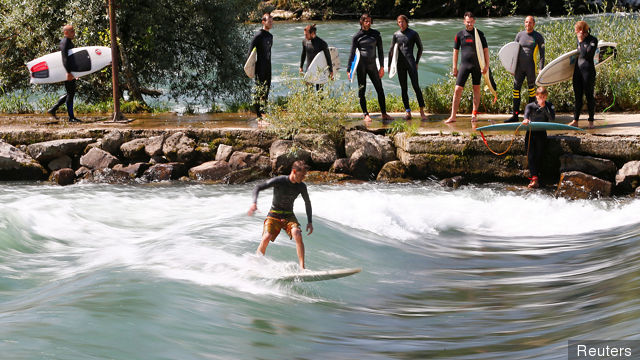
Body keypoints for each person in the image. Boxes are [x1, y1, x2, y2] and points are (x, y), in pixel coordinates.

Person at [248, 160, 313, 269]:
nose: (303, 178)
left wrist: (310, 222)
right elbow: (258, 187)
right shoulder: (280, 181)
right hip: (274, 214)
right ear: (294, 171)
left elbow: (307, 202)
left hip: (289, 215)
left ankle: (302, 268)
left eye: (304, 176)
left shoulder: (301, 186)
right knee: (266, 237)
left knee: (297, 233)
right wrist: (254, 203)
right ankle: (256, 265)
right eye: (301, 175)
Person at [444, 12, 489, 124]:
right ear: (464, 21)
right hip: (464, 65)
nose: (469, 24)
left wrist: (486, 65)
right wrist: (454, 66)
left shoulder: (480, 34)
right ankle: (453, 116)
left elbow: (485, 51)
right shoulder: (459, 35)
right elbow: (455, 51)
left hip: (477, 66)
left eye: (471, 22)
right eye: (467, 22)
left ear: (474, 21)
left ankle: (474, 115)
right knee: (457, 90)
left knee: (476, 89)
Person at [347, 13, 393, 123]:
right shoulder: (357, 36)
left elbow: (380, 51)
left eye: (369, 21)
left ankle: (384, 113)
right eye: (366, 21)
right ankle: (365, 114)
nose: (368, 23)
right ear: (361, 22)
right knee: (362, 90)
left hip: (373, 65)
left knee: (380, 89)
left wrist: (382, 67)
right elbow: (352, 53)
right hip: (361, 66)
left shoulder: (376, 34)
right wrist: (349, 69)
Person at [505, 16, 545, 123]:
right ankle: (515, 115)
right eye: (526, 22)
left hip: (531, 67)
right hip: (519, 68)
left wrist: (541, 69)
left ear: (534, 24)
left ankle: (531, 115)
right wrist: (512, 67)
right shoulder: (519, 35)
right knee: (516, 91)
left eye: (530, 22)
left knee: (531, 91)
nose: (528, 24)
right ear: (524, 23)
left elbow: (542, 55)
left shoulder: (538, 37)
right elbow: (514, 51)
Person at [388, 15, 427, 121]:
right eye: (399, 22)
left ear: (406, 22)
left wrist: (417, 62)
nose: (401, 24)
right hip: (400, 65)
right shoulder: (396, 35)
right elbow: (391, 51)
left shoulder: (413, 33)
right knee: (403, 88)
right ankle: (408, 111)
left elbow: (420, 48)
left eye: (403, 22)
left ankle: (422, 111)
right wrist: (389, 65)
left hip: (411, 63)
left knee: (416, 86)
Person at [522, 87, 555, 189]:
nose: (542, 99)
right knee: (531, 155)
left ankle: (537, 178)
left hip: (541, 133)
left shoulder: (550, 105)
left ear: (546, 96)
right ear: (536, 96)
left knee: (539, 155)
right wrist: (526, 119)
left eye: (544, 97)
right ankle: (534, 178)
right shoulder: (530, 106)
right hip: (531, 133)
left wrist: (544, 108)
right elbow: (526, 115)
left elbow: (552, 119)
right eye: (540, 97)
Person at [48, 24, 81, 122]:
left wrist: (75, 73)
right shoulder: (65, 42)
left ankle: (53, 109)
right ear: (66, 32)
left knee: (70, 93)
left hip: (70, 71)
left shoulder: (69, 42)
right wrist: (68, 72)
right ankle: (71, 117)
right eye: (72, 31)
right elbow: (64, 58)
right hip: (66, 71)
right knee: (70, 94)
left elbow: (72, 59)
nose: (74, 33)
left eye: (73, 31)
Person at [568, 20, 598, 129]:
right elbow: (578, 55)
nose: (576, 33)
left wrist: (580, 41)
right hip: (577, 71)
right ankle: (575, 120)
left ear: (581, 30)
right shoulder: (579, 39)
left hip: (588, 72)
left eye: (576, 30)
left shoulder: (593, 40)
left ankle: (591, 121)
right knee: (578, 97)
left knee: (589, 96)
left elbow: (586, 55)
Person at [248, 13, 274, 119]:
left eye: (272, 21)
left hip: (268, 66)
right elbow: (250, 52)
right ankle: (258, 115)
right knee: (259, 90)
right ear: (263, 22)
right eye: (269, 21)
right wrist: (250, 68)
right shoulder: (258, 35)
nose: (271, 23)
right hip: (260, 66)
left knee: (266, 90)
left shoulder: (270, 36)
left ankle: (264, 112)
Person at [299, 24, 333, 90]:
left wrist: (331, 71)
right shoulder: (305, 42)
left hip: (319, 70)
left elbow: (328, 57)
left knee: (320, 91)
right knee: (308, 91)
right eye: (304, 35)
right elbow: (303, 54)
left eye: (306, 35)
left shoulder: (322, 43)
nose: (305, 36)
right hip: (309, 69)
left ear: (312, 33)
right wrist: (301, 66)